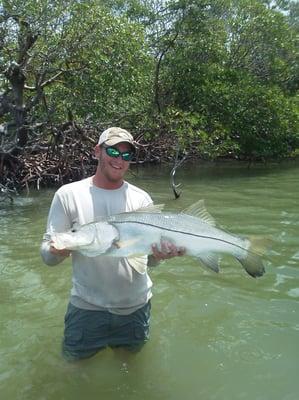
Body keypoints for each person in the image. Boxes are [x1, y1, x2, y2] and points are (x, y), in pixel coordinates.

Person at [40, 127, 184, 361]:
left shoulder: (141, 199)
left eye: (126, 155)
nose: (119, 160)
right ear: (97, 151)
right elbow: (47, 255)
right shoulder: (68, 194)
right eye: (113, 151)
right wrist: (58, 252)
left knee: (129, 369)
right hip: (86, 307)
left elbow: (148, 261)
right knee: (73, 369)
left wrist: (160, 256)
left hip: (135, 307)